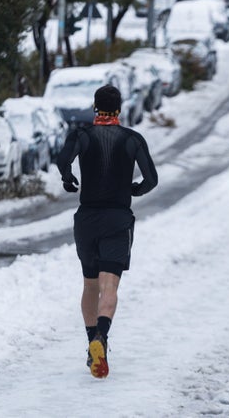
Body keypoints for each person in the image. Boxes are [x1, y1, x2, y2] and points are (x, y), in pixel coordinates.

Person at [57, 84, 158, 379]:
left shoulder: (82, 136)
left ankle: (92, 344)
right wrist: (134, 190)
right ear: (120, 109)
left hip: (86, 220)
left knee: (90, 285)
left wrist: (67, 178)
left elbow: (63, 159)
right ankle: (102, 335)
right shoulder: (132, 139)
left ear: (95, 107)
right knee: (109, 287)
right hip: (117, 219)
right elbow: (151, 179)